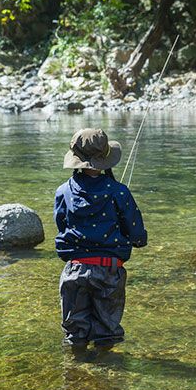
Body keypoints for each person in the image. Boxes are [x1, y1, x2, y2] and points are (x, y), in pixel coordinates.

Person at [54, 128, 147, 351]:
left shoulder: (63, 191)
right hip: (109, 272)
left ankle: (76, 376)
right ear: (106, 158)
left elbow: (62, 226)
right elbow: (136, 234)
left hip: (74, 271)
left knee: (74, 334)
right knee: (107, 333)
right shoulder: (119, 192)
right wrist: (138, 240)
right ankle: (108, 377)